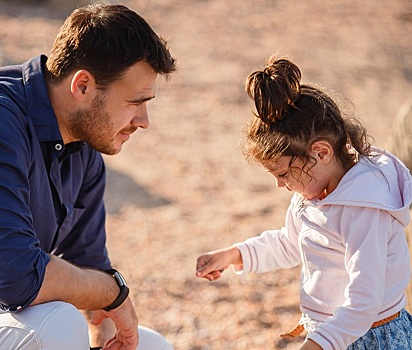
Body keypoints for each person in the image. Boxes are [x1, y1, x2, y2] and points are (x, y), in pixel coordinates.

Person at [195, 55, 412, 349]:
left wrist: (318, 344)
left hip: (369, 336)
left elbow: (365, 302)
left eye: (283, 173)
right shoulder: (311, 192)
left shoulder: (363, 210)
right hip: (332, 334)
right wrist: (235, 254)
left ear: (321, 153)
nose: (280, 184)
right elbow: (289, 243)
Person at [0, 2, 176, 350]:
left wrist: (104, 321)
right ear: (82, 86)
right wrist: (112, 291)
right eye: (135, 102)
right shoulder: (5, 121)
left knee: (152, 347)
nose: (144, 121)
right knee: (57, 327)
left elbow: (90, 269)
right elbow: (15, 275)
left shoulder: (84, 145)